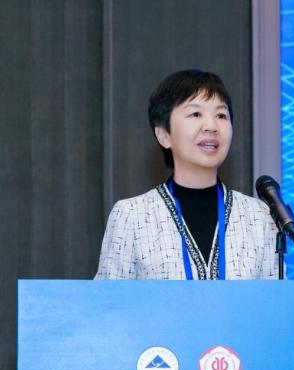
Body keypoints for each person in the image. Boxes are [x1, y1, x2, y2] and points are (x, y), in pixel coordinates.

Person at [94, 69, 279, 280]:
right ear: (164, 135)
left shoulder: (259, 217)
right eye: (195, 114)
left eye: (221, 115)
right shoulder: (132, 215)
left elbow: (275, 298)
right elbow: (109, 298)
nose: (211, 126)